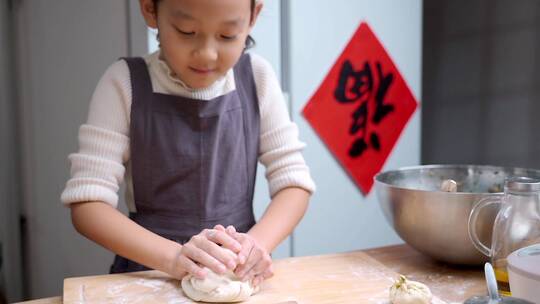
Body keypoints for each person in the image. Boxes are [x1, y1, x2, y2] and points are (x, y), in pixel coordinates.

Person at [61, 0, 315, 287]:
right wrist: (173, 258)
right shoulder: (124, 84)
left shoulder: (257, 78)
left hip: (235, 275)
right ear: (150, 9)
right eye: (186, 31)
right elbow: (88, 205)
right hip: (149, 275)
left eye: (227, 35)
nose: (206, 54)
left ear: (253, 16)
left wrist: (256, 245)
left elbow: (294, 185)